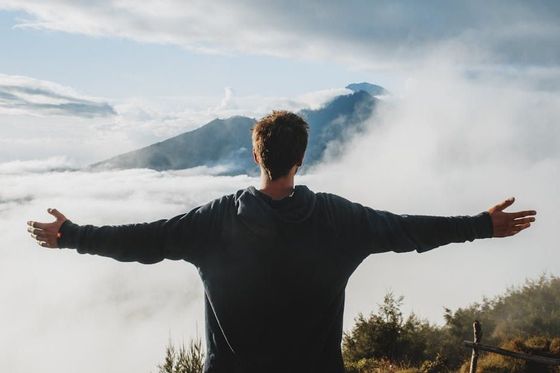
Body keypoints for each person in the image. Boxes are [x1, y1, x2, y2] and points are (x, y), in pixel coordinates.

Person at [27, 111, 536, 373]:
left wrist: (72, 236)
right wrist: (481, 224)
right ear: (301, 160)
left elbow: (142, 240)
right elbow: (411, 230)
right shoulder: (340, 220)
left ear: (255, 157)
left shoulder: (212, 223)